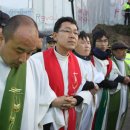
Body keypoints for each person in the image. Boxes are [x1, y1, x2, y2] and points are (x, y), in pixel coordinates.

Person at [0, 15, 67, 130]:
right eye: (19, 50)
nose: (23, 59)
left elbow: (44, 100)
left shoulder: (35, 67)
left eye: (30, 52)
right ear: (2, 38)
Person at [31, 17, 93, 130]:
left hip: (71, 118)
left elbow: (86, 89)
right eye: (67, 31)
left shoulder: (80, 63)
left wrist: (77, 99)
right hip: (45, 120)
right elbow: (29, 92)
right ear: (55, 36)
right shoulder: (37, 60)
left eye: (75, 32)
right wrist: (52, 101)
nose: (72, 35)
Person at [91, 28, 130, 130]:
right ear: (94, 42)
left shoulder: (108, 60)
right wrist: (102, 82)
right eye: (99, 41)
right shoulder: (89, 58)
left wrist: (118, 81)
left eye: (105, 41)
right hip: (92, 98)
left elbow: (116, 75)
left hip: (105, 98)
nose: (103, 44)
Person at [73, 31, 105, 130]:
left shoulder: (88, 61)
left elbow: (98, 78)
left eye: (88, 43)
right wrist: (90, 85)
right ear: (74, 44)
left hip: (89, 104)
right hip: (77, 107)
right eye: (82, 42)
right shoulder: (73, 61)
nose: (87, 45)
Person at [111, 41, 130, 130]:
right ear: (114, 51)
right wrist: (122, 79)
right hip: (114, 96)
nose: (124, 52)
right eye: (122, 50)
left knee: (122, 118)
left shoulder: (126, 64)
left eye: (125, 50)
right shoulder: (110, 62)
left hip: (125, 95)